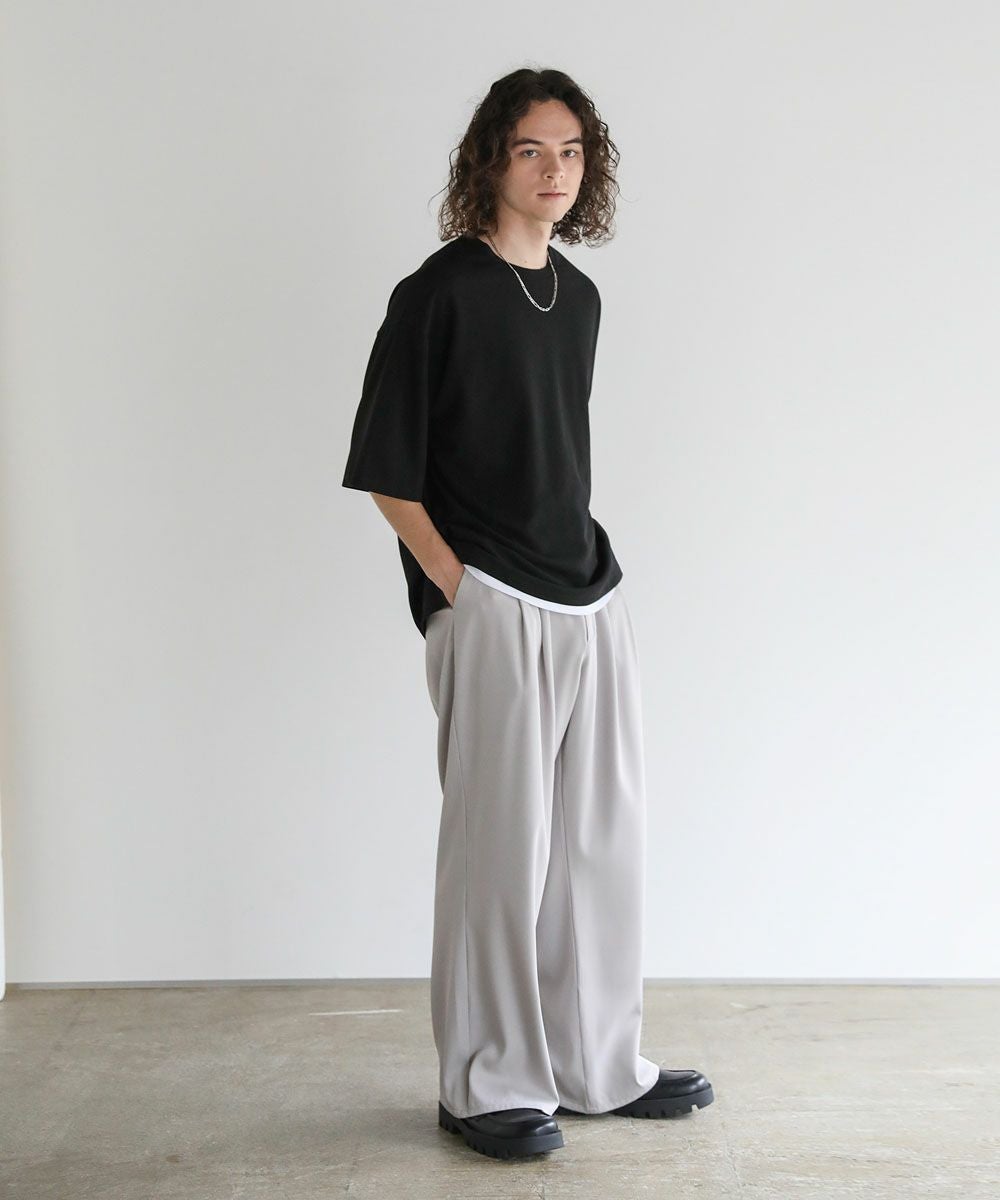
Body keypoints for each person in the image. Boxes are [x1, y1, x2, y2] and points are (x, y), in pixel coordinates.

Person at [342, 67, 714, 1160]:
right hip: (494, 598)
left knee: (601, 841)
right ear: (490, 162)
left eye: (572, 151)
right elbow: (386, 470)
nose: (555, 171)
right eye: (530, 150)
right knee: (499, 853)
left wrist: (579, 584)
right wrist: (457, 586)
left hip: (590, 590)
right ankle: (485, 1082)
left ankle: (597, 1062)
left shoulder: (579, 297)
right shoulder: (439, 293)